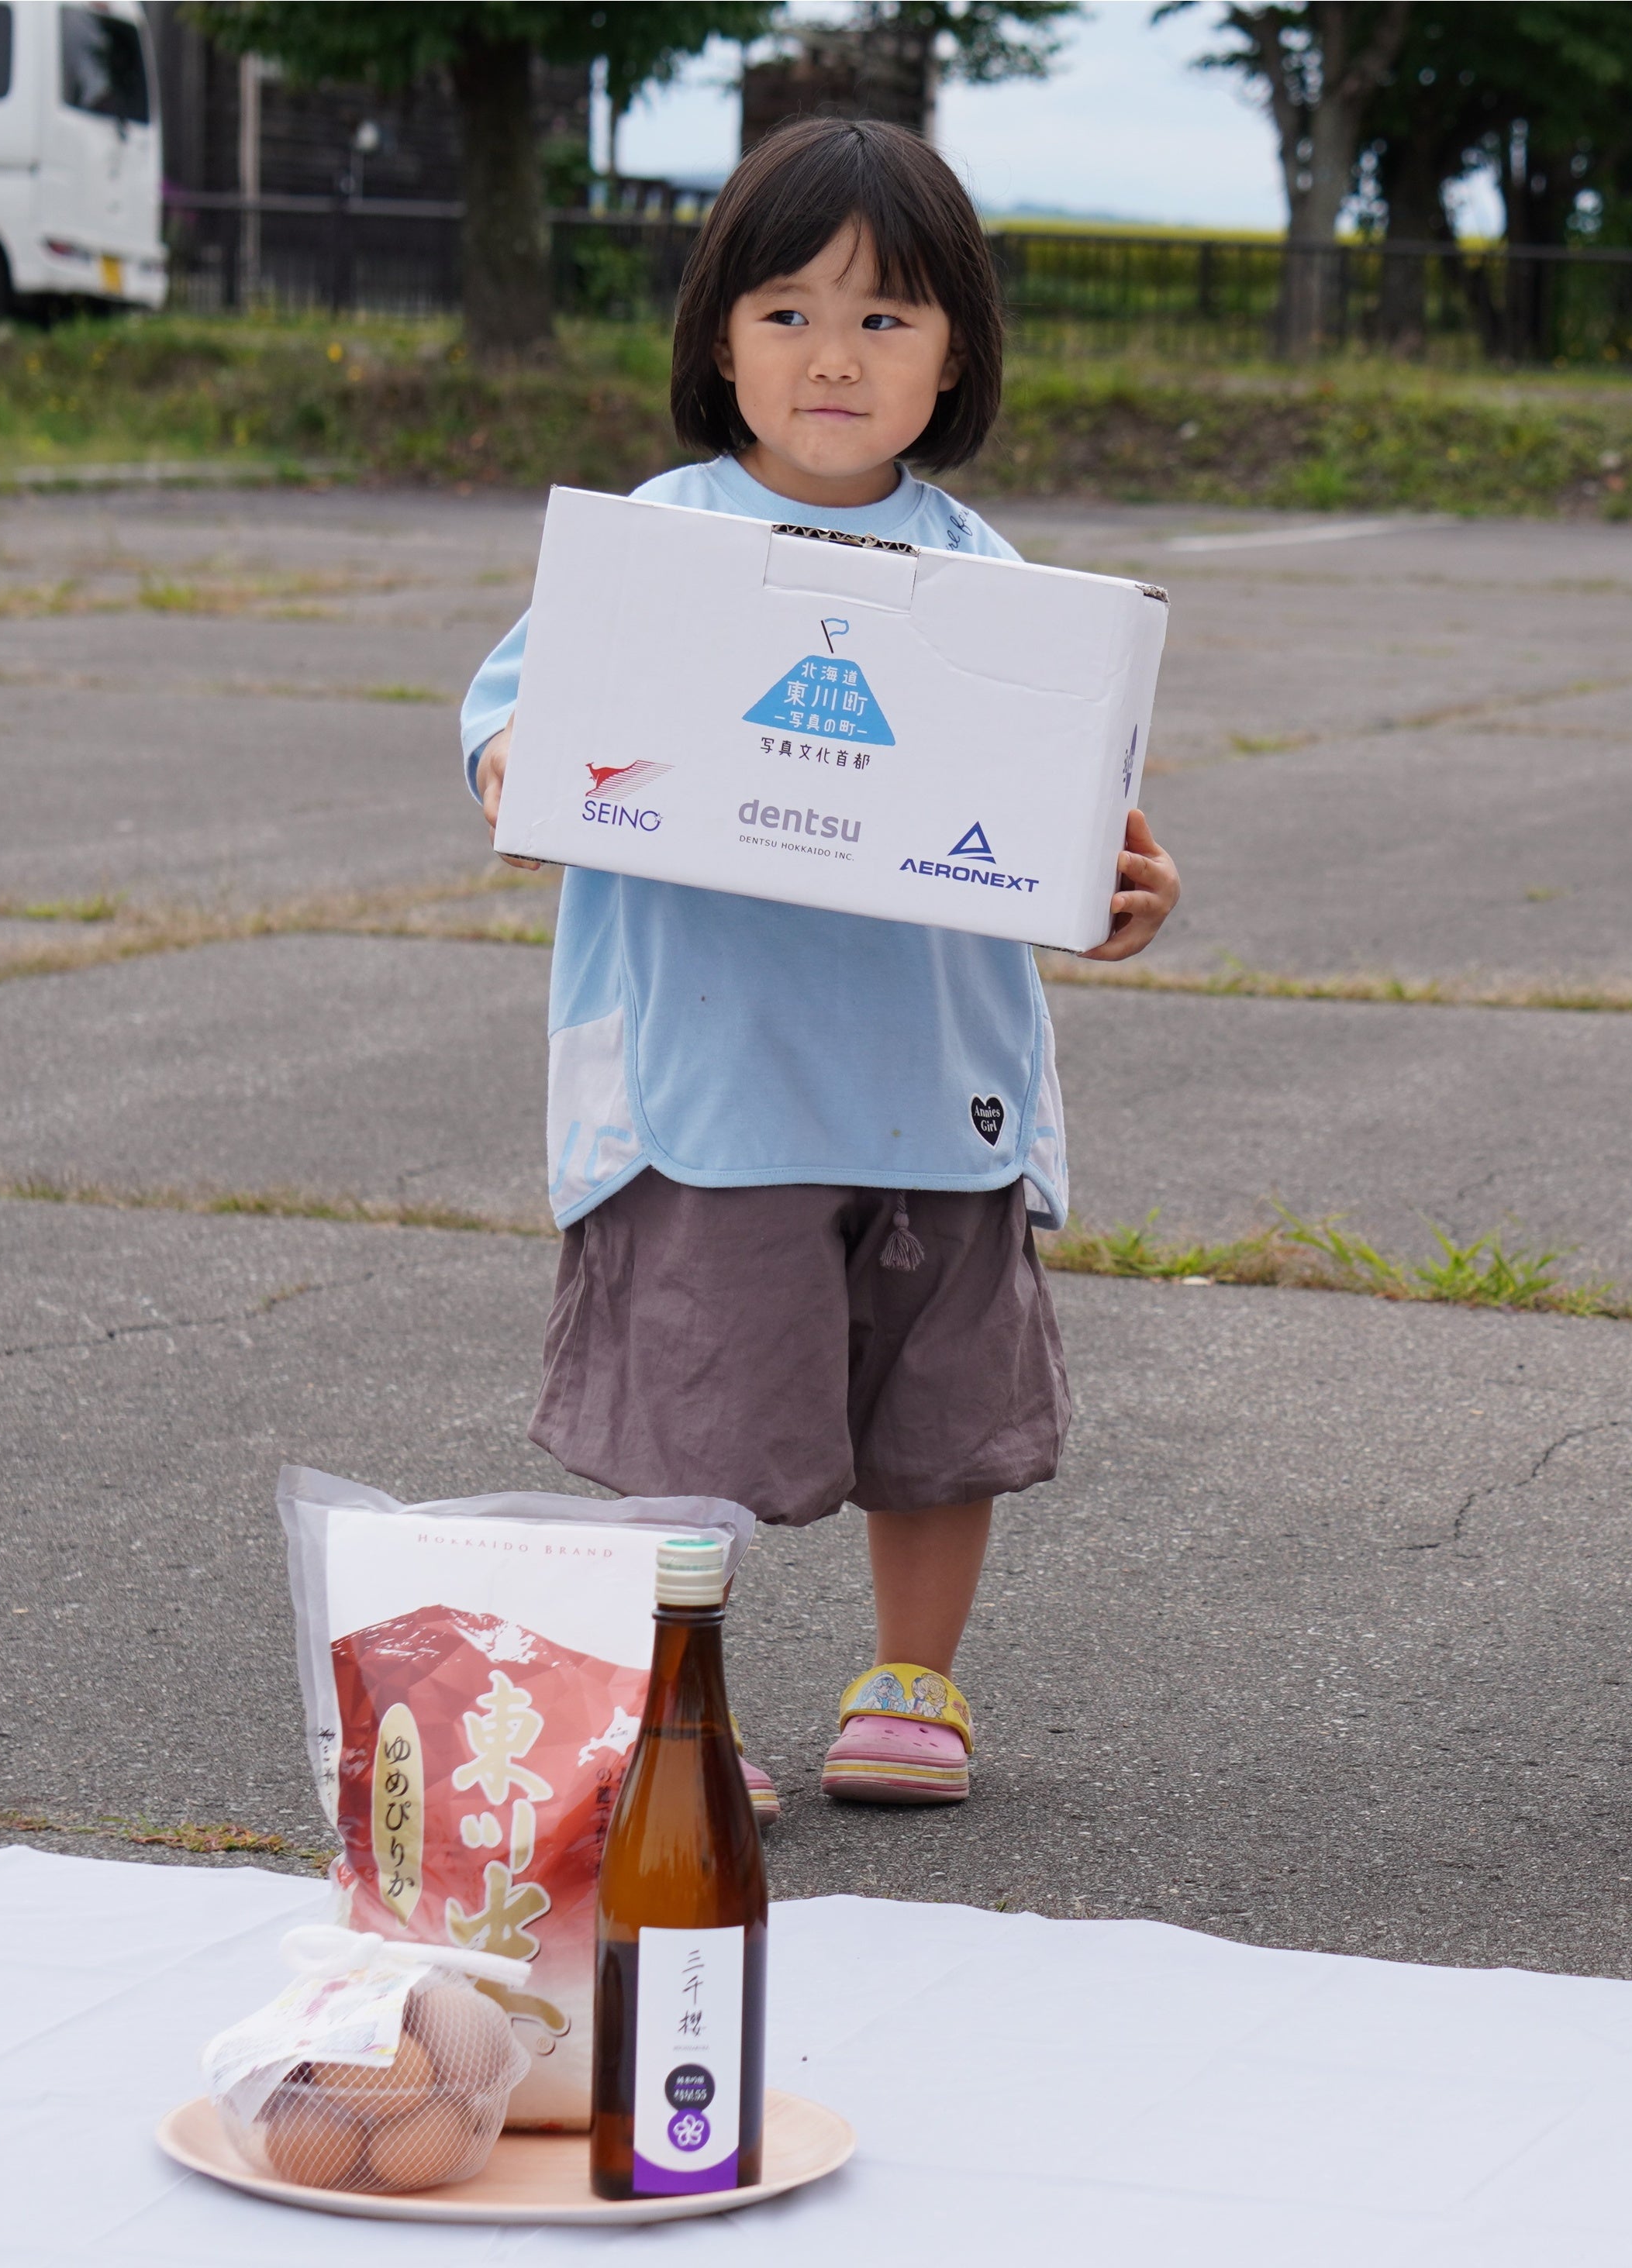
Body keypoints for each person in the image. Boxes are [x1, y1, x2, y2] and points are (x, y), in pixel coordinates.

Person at [459, 117, 1180, 1821]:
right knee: (690, 1409)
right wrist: (520, 769)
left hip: (940, 1079)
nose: (833, 357)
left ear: (955, 357)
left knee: (938, 1410)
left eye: (886, 318)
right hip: (713, 1083)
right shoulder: (659, 542)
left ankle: (913, 1676)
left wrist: (1124, 884)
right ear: (719, 339)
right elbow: (513, 717)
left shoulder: (995, 585)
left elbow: (1078, 815)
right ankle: (674, 1703)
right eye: (787, 312)